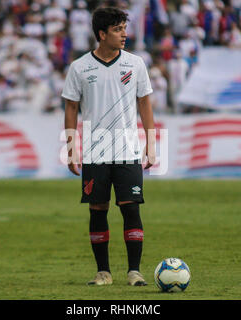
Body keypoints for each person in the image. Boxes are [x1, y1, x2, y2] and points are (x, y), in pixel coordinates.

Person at [62, 7, 156, 287]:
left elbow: (145, 103)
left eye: (124, 28)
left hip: (127, 150)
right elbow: (71, 107)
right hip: (95, 151)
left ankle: (134, 271)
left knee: (131, 209)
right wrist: (70, 147)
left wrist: (151, 142)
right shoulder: (79, 67)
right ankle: (103, 272)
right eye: (117, 29)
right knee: (98, 210)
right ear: (101, 35)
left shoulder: (135, 63)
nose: (124, 34)